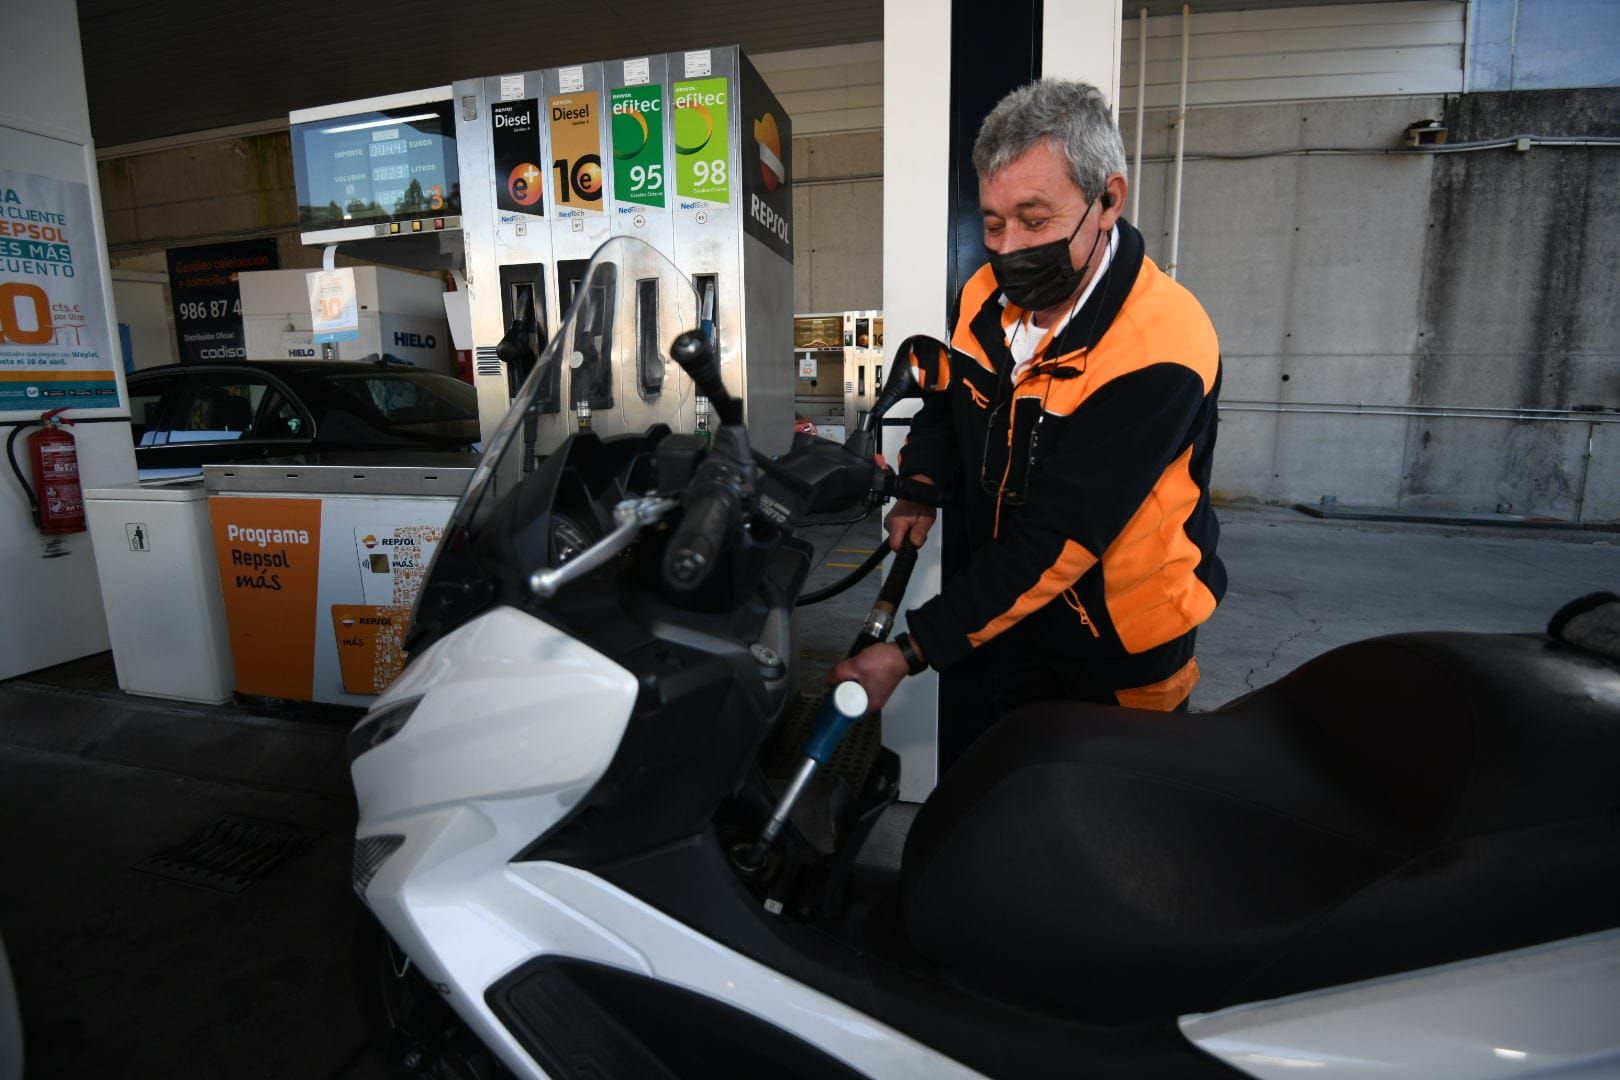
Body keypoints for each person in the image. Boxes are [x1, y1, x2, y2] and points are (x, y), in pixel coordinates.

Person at [831, 78, 1225, 718]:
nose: (1009, 248)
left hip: (1119, 646)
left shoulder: (1160, 347)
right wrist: (920, 484)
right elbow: (949, 402)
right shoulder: (984, 295)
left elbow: (1061, 534)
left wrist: (910, 649)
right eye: (993, 222)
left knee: (1110, 807)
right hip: (1011, 611)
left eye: (1035, 220)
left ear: (1107, 200)